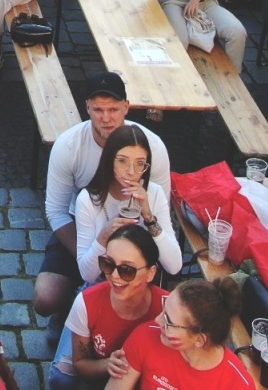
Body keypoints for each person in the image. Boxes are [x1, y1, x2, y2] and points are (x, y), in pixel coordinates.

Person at [33, 72, 171, 318]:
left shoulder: (153, 147)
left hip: (137, 232)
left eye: (114, 110)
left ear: (126, 107)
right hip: (82, 225)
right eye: (98, 110)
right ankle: (65, 316)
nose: (106, 118)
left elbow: (161, 206)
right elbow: (55, 210)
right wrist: (93, 259)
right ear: (87, 107)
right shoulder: (68, 146)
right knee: (46, 298)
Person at [47, 226, 167, 390]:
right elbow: (81, 363)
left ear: (150, 273)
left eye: (127, 269)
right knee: (61, 379)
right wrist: (107, 365)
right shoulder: (87, 303)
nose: (115, 276)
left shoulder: (170, 309)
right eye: (108, 264)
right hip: (100, 375)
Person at [71, 126, 182, 282]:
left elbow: (174, 266)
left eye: (140, 163)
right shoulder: (88, 200)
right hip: (106, 283)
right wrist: (104, 236)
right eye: (123, 161)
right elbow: (87, 274)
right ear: (109, 160)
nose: (131, 171)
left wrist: (149, 218)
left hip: (142, 284)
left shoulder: (154, 193)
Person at [103, 278, 252, 390]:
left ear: (199, 339)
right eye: (163, 309)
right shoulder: (146, 336)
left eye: (168, 320)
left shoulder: (236, 383)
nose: (157, 320)